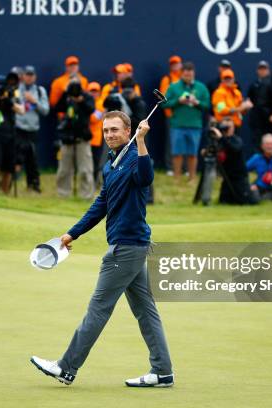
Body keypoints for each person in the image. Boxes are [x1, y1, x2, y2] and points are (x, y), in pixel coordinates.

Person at [30, 111, 174, 388]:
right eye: (106, 130)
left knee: (98, 308)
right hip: (132, 248)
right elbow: (101, 204)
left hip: (126, 248)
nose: (109, 135)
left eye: (115, 130)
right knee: (146, 311)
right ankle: (163, 371)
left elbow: (145, 178)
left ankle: (66, 367)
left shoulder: (135, 156)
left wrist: (142, 141)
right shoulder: (110, 165)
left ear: (128, 130)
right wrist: (73, 233)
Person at [164, 61, 210, 181]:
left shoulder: (201, 87)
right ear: (181, 74)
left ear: (193, 74)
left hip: (195, 125)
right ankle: (177, 177)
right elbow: (164, 104)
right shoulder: (174, 87)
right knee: (177, 153)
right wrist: (178, 101)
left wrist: (197, 102)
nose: (188, 77)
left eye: (190, 75)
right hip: (177, 124)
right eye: (185, 75)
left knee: (193, 153)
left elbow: (207, 106)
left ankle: (192, 178)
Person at [55, 80, 96, 199]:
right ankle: (63, 195)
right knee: (64, 170)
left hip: (82, 138)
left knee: (85, 170)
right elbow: (58, 108)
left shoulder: (86, 96)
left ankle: (86, 196)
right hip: (67, 138)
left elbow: (91, 109)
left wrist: (81, 101)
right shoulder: (67, 97)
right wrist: (65, 95)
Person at [15, 65, 49, 193]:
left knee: (32, 159)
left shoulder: (40, 91)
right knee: (17, 158)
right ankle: (13, 184)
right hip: (18, 128)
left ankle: (33, 185)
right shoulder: (17, 89)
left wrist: (34, 101)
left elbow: (45, 110)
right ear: (23, 76)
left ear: (34, 77)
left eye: (31, 75)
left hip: (32, 130)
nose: (29, 77)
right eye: (27, 75)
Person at [211, 118, 259, 205]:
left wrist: (221, 138)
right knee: (224, 202)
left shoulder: (236, 140)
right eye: (224, 126)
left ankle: (255, 192)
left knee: (245, 202)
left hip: (239, 178)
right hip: (227, 178)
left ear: (233, 128)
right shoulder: (220, 141)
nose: (227, 129)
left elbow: (234, 148)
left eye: (229, 126)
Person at [159, 55, 182, 173]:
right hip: (171, 115)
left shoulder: (184, 79)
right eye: (173, 64)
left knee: (182, 141)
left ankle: (183, 168)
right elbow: (164, 99)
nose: (175, 66)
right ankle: (169, 167)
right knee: (170, 141)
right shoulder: (167, 79)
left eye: (177, 63)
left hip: (183, 116)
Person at [246, 60, 272, 149]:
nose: (262, 71)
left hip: (268, 120)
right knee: (257, 144)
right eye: (260, 69)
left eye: (264, 69)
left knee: (269, 144)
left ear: (268, 70)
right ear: (257, 71)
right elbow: (249, 100)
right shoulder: (254, 85)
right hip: (256, 120)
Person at [87, 82, 105, 186]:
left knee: (95, 161)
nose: (93, 94)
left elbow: (93, 118)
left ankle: (94, 182)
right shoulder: (88, 102)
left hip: (96, 138)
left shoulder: (101, 103)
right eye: (91, 91)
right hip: (85, 136)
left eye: (95, 91)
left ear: (99, 92)